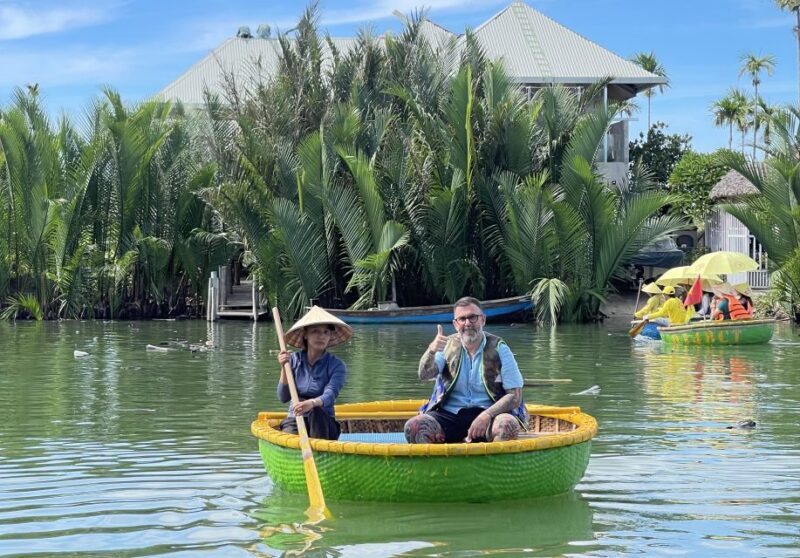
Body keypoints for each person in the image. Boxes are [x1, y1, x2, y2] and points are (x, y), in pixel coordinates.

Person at [403, 297, 528, 444]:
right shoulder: (446, 346)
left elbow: (514, 397)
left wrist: (486, 415)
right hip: (449, 416)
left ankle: (493, 459)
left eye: (473, 317)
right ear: (455, 324)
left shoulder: (500, 348)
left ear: (483, 320)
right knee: (414, 427)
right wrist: (431, 350)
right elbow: (424, 374)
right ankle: (437, 459)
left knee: (508, 426)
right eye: (462, 319)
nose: (468, 323)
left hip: (489, 416)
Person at [276, 306, 353, 440]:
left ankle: (320, 449)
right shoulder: (293, 360)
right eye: (315, 331)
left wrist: (311, 403)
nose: (321, 336)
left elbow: (330, 394)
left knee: (316, 412)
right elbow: (283, 397)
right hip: (296, 418)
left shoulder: (337, 365)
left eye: (326, 332)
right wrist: (284, 367)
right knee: (289, 438)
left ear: (330, 336)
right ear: (305, 334)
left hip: (324, 423)